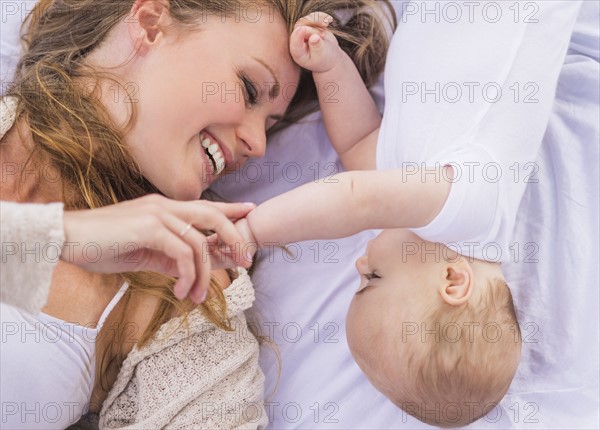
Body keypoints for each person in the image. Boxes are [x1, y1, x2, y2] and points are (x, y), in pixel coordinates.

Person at [0, 0, 392, 428]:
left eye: (271, 124)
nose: (258, 144)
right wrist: (61, 238)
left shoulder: (181, 290)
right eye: (249, 89)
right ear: (151, 22)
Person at [232, 2, 583, 426]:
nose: (359, 263)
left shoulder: (411, 211)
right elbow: (354, 198)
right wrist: (253, 231)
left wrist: (329, 68)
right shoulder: (471, 213)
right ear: (453, 281)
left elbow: (358, 140)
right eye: (372, 280)